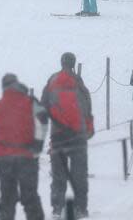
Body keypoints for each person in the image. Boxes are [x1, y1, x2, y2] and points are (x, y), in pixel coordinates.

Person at [0, 74, 48, 220]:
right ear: (17, 84)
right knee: (30, 197)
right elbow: (43, 119)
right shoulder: (30, 102)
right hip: (27, 156)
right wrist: (38, 144)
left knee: (7, 200)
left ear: (3, 87)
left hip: (5, 159)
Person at [41, 53, 93, 219]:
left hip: (58, 135)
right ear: (73, 63)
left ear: (61, 62)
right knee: (79, 174)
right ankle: (81, 208)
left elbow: (43, 107)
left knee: (58, 174)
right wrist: (88, 128)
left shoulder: (52, 81)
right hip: (78, 134)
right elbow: (86, 106)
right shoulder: (78, 82)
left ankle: (57, 208)